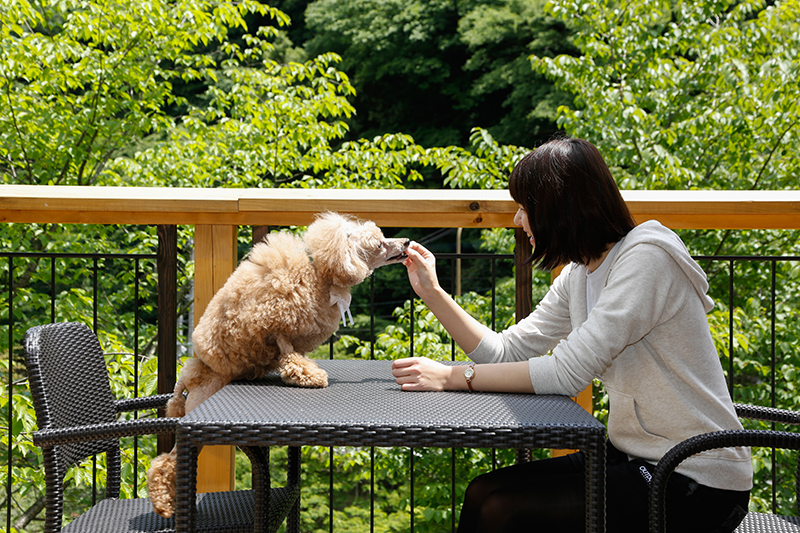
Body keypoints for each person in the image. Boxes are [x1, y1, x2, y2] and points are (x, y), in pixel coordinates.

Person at [391, 137, 752, 533]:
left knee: (505, 511)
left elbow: (566, 373)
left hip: (695, 477)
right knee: (482, 492)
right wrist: (433, 293)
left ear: (559, 207)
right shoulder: (580, 275)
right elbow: (506, 352)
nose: (517, 220)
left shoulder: (647, 258)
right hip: (630, 455)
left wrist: (450, 377)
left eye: (526, 209)